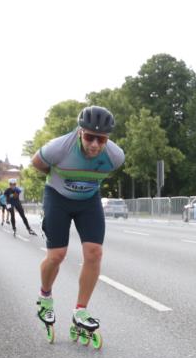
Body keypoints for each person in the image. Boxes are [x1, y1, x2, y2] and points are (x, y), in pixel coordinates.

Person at [31, 105, 125, 338]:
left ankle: (80, 311)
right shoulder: (59, 148)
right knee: (57, 255)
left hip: (88, 201)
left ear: (107, 139)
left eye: (101, 140)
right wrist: (59, 178)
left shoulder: (115, 156)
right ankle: (45, 297)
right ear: (80, 132)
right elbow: (37, 163)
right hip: (57, 199)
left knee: (94, 253)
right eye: (90, 137)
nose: (94, 144)